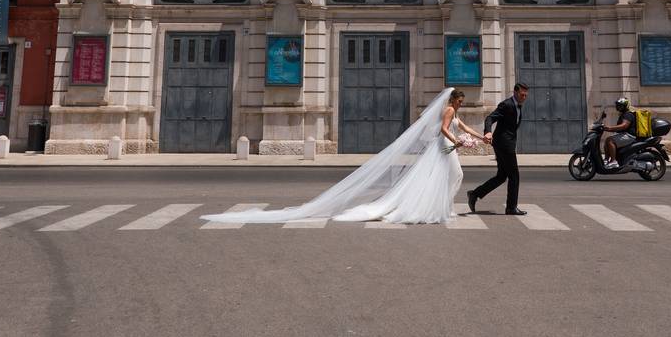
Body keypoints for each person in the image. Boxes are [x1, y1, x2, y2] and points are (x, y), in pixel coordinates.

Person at [199, 88, 489, 225]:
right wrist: (457, 143)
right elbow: (444, 129)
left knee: (450, 176)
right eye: (461, 100)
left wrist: (480, 138)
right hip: (444, 148)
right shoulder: (447, 110)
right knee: (456, 175)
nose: (462, 104)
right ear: (454, 99)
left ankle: (441, 207)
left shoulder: (456, 112)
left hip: (447, 149)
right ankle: (440, 208)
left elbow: (463, 127)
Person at [467, 82, 529, 216]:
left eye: (526, 95)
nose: (524, 97)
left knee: (502, 176)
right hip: (504, 144)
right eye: (522, 94)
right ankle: (511, 208)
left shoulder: (517, 105)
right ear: (515, 92)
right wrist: (487, 132)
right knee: (514, 176)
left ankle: (474, 194)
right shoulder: (506, 104)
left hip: (505, 143)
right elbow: (490, 118)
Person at [603, 97, 637, 170]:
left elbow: (624, 126)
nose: (618, 107)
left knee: (610, 140)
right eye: (618, 105)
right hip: (625, 134)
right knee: (607, 140)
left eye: (620, 105)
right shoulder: (623, 114)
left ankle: (613, 161)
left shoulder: (628, 114)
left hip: (630, 136)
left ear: (625, 106)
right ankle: (606, 160)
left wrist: (610, 128)